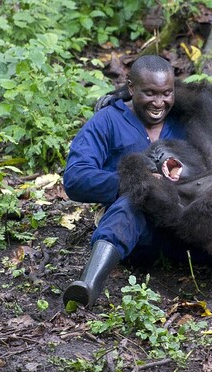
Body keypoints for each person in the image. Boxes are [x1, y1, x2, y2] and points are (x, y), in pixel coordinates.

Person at [62, 55, 192, 308]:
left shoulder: (184, 120)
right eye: (150, 93)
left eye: (166, 93)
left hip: (188, 225)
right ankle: (88, 285)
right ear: (131, 88)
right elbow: (76, 178)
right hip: (137, 235)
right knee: (137, 199)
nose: (159, 102)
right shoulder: (108, 120)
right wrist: (135, 181)